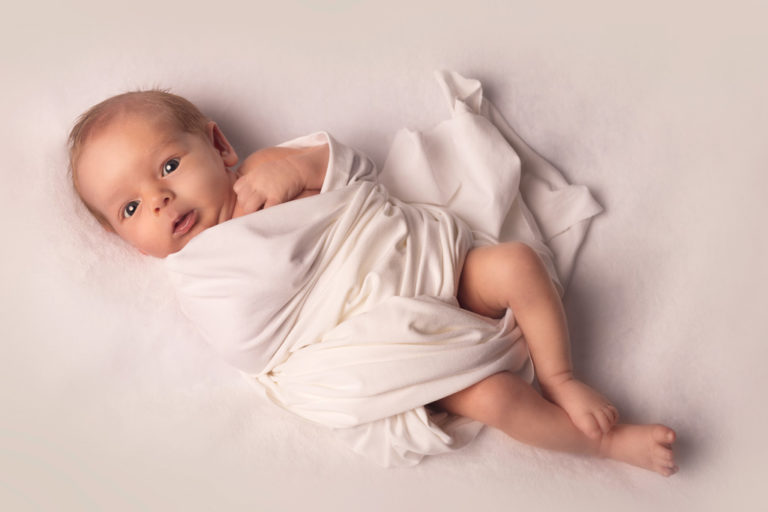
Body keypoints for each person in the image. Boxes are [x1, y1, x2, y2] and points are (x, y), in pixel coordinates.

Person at [68, 88, 678, 476]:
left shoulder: (268, 169)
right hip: (383, 347)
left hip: (425, 265)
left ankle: (562, 375)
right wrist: (276, 258)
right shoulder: (198, 275)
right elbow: (252, 347)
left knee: (517, 264)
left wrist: (305, 165)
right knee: (494, 399)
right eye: (129, 209)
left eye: (169, 165)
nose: (159, 199)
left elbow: (365, 182)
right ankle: (604, 446)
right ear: (127, 243)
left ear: (218, 145)